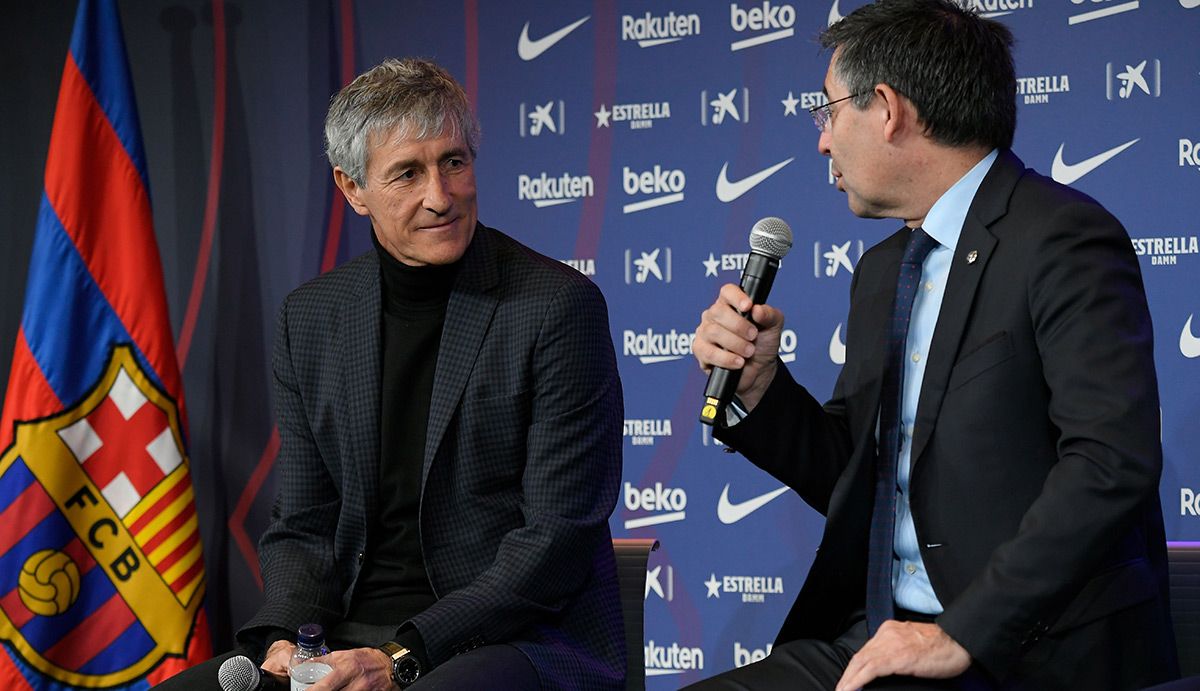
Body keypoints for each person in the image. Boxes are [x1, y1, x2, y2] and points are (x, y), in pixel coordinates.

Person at [687, 1, 1177, 689]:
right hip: (882, 640)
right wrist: (761, 388)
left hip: (1025, 651)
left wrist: (961, 632)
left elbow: (1111, 462)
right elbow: (858, 479)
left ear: (885, 108)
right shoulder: (884, 269)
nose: (822, 142)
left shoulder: (1063, 239)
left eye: (828, 112)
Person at [157, 58, 624, 690]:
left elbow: (556, 537)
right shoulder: (311, 318)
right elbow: (304, 522)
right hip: (345, 632)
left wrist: (401, 657)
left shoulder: (555, 306)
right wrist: (283, 640)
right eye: (408, 172)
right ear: (352, 190)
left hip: (512, 637)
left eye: (454, 162)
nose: (441, 195)